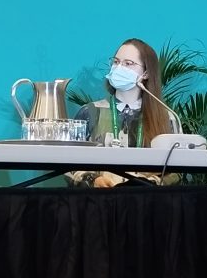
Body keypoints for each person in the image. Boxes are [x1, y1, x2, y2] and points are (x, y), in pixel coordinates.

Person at [66, 38, 180, 188]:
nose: (119, 68)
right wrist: (93, 180)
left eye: (128, 64)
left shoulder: (166, 118)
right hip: (98, 201)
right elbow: (69, 163)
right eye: (116, 62)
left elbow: (176, 171)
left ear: (146, 73)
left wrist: (150, 183)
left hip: (147, 202)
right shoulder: (90, 112)